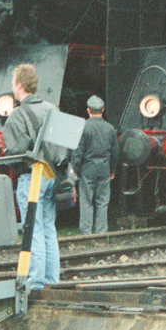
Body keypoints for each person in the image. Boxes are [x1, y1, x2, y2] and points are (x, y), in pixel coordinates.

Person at [1, 63, 60, 290]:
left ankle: (35, 282)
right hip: (53, 174)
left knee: (32, 229)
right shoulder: (52, 108)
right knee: (48, 228)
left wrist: (8, 154)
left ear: (18, 85)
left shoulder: (17, 115)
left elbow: (17, 150)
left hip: (32, 177)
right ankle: (52, 279)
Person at [74, 95, 119, 235]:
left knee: (86, 202)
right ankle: (101, 232)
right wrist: (112, 170)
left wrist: (75, 171)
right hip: (104, 169)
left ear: (88, 110)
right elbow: (115, 152)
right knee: (102, 202)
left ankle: (85, 233)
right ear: (103, 110)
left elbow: (77, 153)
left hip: (87, 169)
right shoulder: (110, 128)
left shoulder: (83, 127)